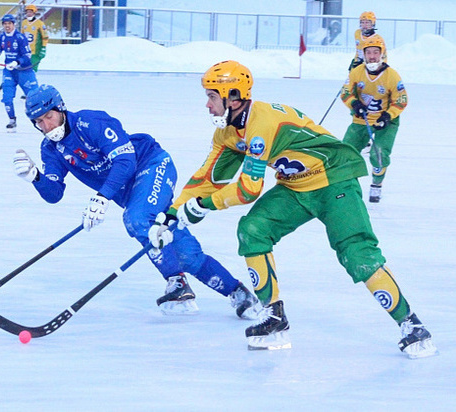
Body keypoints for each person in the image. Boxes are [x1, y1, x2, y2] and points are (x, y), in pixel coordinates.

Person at [148, 60, 437, 359]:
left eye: (211, 96)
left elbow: (248, 190)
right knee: (253, 230)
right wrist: (172, 212)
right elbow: (208, 177)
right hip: (296, 186)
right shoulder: (228, 132)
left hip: (334, 180)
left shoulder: (262, 124)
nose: (207, 105)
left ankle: (411, 325)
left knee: (357, 254)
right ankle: (273, 317)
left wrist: (203, 205)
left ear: (233, 96)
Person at [12, 84, 260, 319]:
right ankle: (238, 294)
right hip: (132, 193)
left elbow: (126, 161)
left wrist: (102, 196)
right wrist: (35, 177)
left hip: (151, 165)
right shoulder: (51, 149)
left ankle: (177, 282)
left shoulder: (91, 122)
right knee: (183, 252)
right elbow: (54, 194)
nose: (46, 125)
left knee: (138, 219)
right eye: (39, 122)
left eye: (49, 117)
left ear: (61, 108)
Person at [341, 37, 407, 203]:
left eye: (375, 52)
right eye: (368, 52)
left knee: (378, 155)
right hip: (361, 120)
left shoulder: (391, 75)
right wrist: (354, 104)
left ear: (382, 54)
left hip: (384, 122)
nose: (372, 56)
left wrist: (388, 115)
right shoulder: (357, 72)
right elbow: (345, 92)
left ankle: (377, 184)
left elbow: (401, 99)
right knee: (345, 152)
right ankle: (349, 186)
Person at [0, 14, 38, 132]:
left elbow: (27, 55)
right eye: (5, 24)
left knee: (35, 96)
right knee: (7, 98)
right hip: (9, 71)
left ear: (14, 24)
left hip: (24, 71)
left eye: (9, 23)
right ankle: (12, 120)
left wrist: (17, 62)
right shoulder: (2, 37)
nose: (7, 26)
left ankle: (42, 119)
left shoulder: (20, 38)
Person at [21, 4, 49, 72]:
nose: (29, 14)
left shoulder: (40, 23)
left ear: (34, 13)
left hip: (35, 51)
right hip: (26, 50)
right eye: (27, 12)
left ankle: (32, 81)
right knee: (24, 68)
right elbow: (21, 36)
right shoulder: (24, 23)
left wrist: (43, 48)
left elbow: (45, 36)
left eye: (30, 12)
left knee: (32, 69)